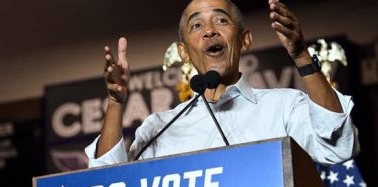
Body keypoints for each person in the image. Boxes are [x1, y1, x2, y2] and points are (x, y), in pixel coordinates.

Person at [85, 0, 359, 167]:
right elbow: (106, 182)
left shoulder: (284, 106)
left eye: (220, 20)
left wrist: (301, 56)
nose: (209, 31)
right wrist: (115, 102)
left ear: (245, 40)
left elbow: (339, 148)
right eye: (196, 26)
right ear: (183, 52)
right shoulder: (158, 127)